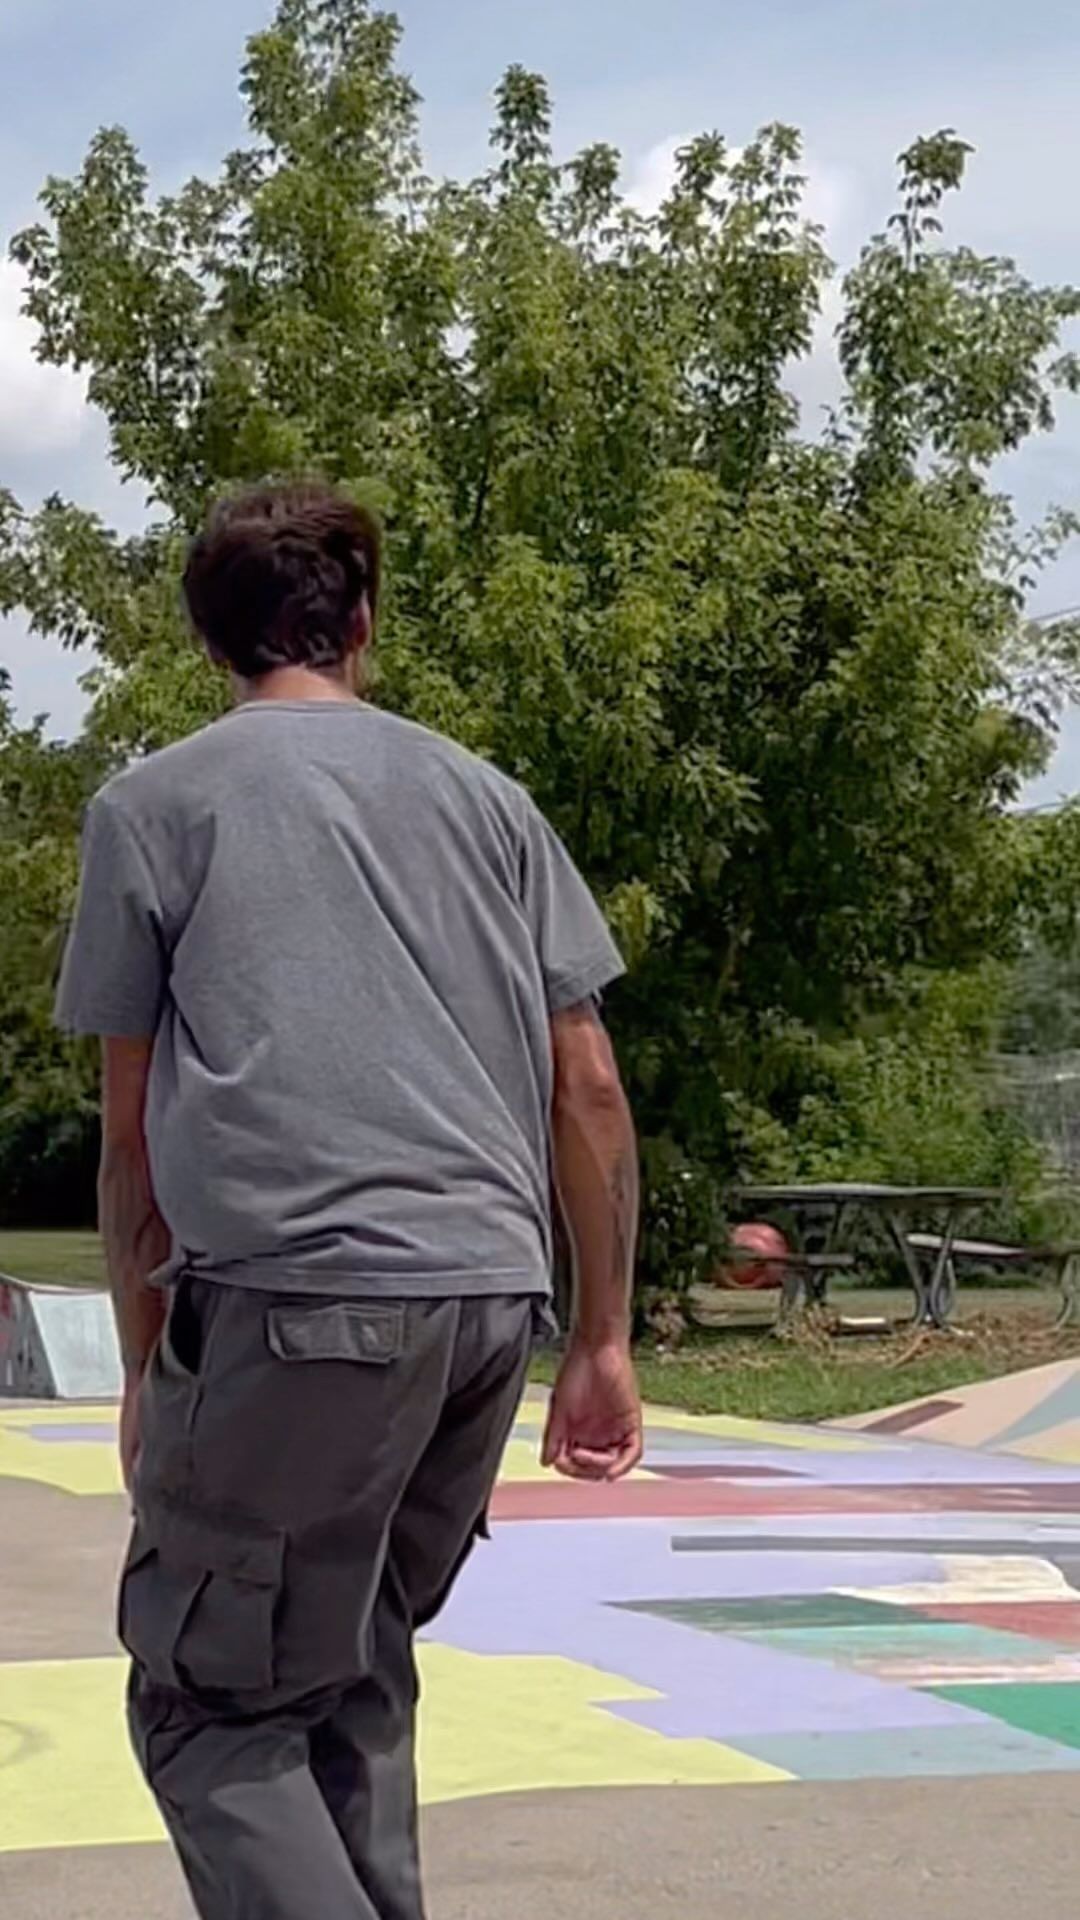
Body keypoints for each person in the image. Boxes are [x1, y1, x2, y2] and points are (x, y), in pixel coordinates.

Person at [55, 480, 642, 1920]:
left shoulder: (154, 807)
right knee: (348, 1667)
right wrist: (603, 1338)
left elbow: (131, 1141)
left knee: (209, 1705)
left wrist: (145, 1367)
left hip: (295, 1301)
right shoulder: (492, 803)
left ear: (210, 644)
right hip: (484, 1306)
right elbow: (588, 1087)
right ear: (363, 623)